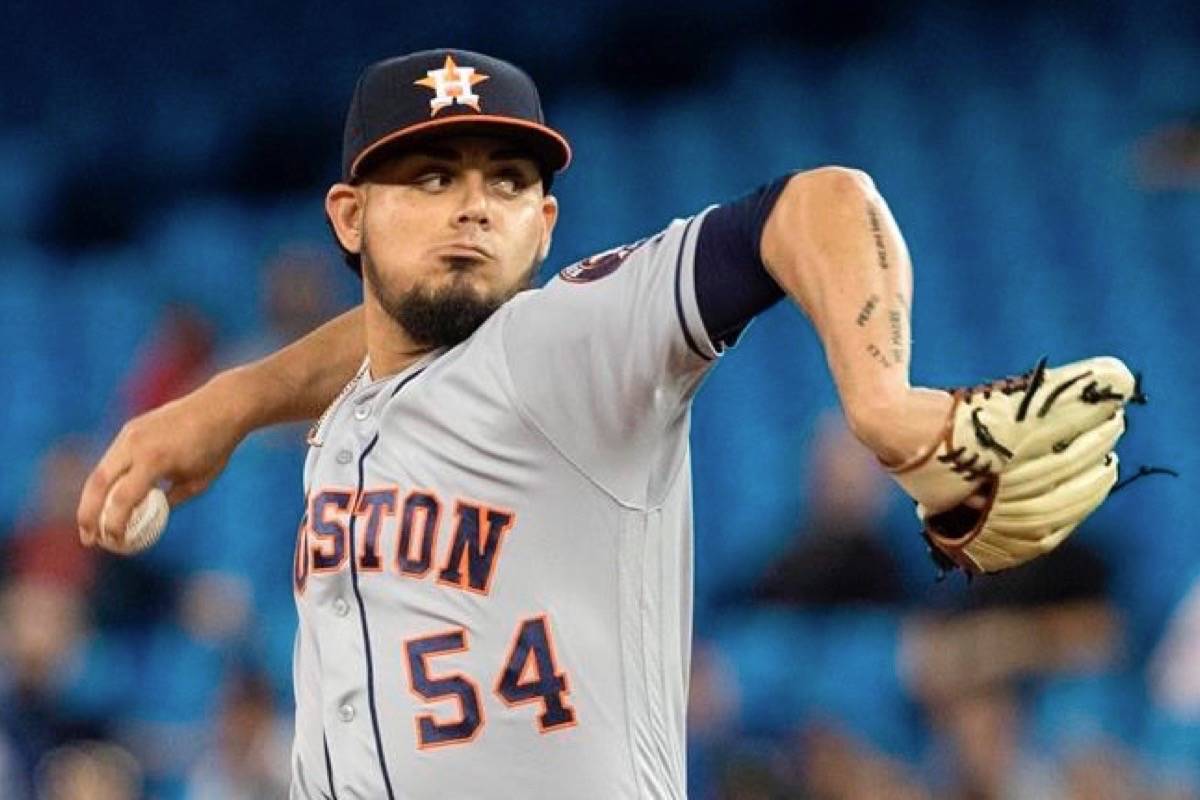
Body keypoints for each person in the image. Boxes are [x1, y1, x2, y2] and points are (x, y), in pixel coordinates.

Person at [76, 49, 1130, 798]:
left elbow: (817, 204)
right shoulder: (356, 404)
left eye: (507, 181)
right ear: (350, 218)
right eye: (431, 177)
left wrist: (882, 396)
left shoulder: (567, 338)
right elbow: (384, 337)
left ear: (546, 224)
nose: (473, 206)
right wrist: (228, 400)